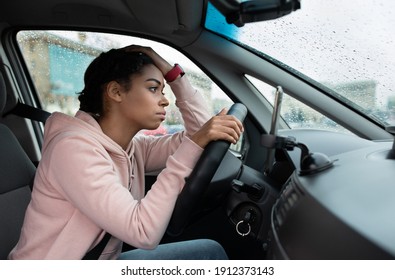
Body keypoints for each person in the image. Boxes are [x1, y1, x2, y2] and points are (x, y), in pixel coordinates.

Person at [8, 45, 243, 260]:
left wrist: (173, 74)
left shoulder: (133, 147)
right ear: (116, 92)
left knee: (209, 252)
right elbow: (143, 232)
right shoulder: (72, 149)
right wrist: (194, 145)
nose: (165, 101)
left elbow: (202, 133)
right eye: (153, 88)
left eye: (163, 90)